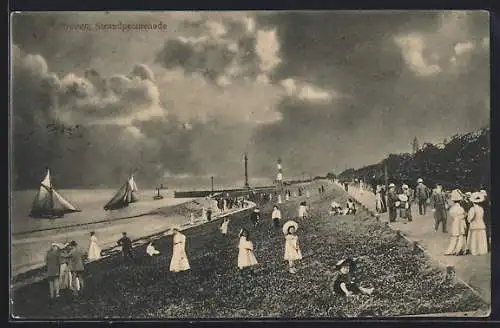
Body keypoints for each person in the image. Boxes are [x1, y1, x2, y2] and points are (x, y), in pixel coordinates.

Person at [444, 190, 467, 256]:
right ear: (459, 201)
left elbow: (451, 216)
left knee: (454, 237)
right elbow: (463, 215)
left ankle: (450, 250)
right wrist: (464, 215)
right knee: (461, 236)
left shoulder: (452, 209)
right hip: (461, 223)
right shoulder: (461, 208)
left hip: (455, 223)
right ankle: (459, 249)